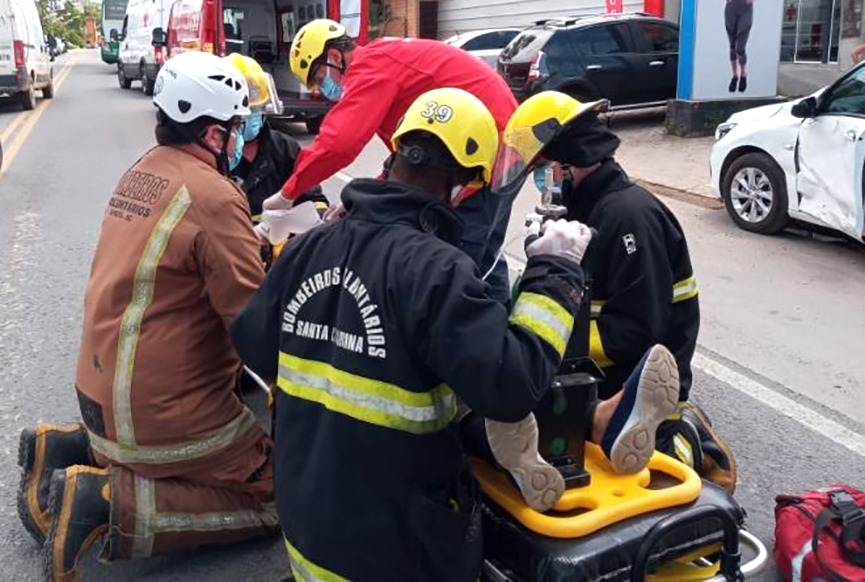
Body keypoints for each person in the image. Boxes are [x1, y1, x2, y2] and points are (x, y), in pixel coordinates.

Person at [229, 87, 680, 581]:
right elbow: (511, 386)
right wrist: (554, 272)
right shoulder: (438, 270)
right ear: (464, 188)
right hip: (397, 551)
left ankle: (587, 423)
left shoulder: (306, 248)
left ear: (395, 157)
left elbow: (252, 344)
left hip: (309, 529)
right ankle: (584, 426)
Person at [16, 51, 278, 581]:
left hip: (101, 397)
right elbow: (254, 328)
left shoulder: (142, 172)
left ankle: (67, 447)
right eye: (234, 125)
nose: (241, 136)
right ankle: (106, 502)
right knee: (280, 490)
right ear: (210, 135)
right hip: (154, 416)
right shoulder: (214, 194)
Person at [493, 90, 736, 492]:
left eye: (544, 167)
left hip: (632, 388)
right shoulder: (585, 211)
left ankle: (684, 438)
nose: (543, 178)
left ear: (567, 166)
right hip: (589, 379)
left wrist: (545, 344)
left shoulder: (628, 217)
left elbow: (639, 329)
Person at [262, 18, 519, 303]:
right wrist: (358, 201)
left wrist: (288, 193)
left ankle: (468, 332)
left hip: (483, 152)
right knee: (486, 254)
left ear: (334, 57)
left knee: (458, 256)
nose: (322, 90)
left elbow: (339, 143)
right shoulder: (386, 60)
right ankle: (499, 322)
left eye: (320, 78)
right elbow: (405, 158)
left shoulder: (370, 66)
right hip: (501, 145)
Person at [223, 53, 330, 268]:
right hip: (232, 263)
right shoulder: (214, 156)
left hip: (280, 265)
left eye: (256, 110)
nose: (249, 119)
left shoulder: (285, 149)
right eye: (244, 114)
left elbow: (315, 200)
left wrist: (296, 234)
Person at [725, 0, 754, 93]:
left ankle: (743, 74)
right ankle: (735, 76)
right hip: (731, 8)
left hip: (745, 8)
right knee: (732, 46)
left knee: (740, 47)